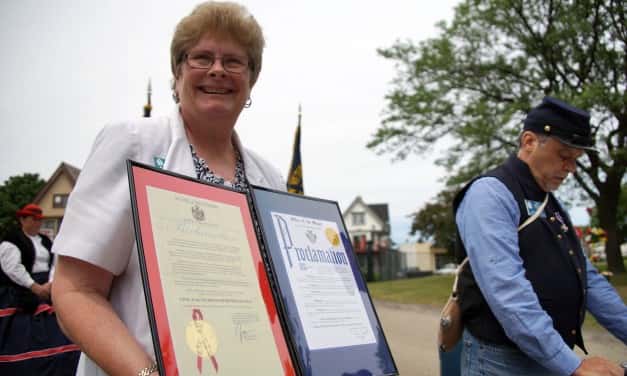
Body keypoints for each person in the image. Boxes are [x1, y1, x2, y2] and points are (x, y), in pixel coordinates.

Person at [51, 2, 285, 375]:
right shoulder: (132, 144)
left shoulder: (270, 178)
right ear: (177, 72)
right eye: (201, 58)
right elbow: (75, 291)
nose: (218, 70)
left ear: (252, 79)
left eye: (235, 61)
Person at [453, 96, 627, 375]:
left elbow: (587, 277)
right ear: (530, 141)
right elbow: (507, 292)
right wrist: (573, 366)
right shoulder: (491, 194)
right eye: (564, 155)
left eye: (576, 160)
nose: (571, 168)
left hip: (548, 355)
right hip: (503, 362)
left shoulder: (549, 201)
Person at [0, 203, 79, 374]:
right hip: (21, 289)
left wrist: (50, 284)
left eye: (39, 220)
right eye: (33, 220)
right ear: (22, 220)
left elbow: (55, 263)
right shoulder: (11, 241)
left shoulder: (45, 241)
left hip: (47, 286)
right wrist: (34, 286)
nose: (37, 224)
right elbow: (13, 268)